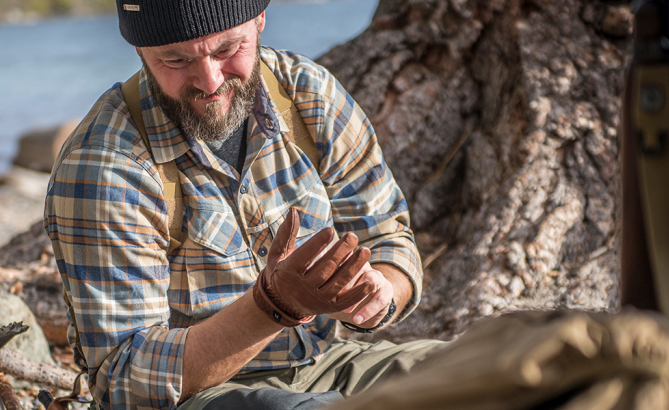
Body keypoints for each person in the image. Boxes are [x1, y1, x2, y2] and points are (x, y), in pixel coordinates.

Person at [43, 1, 442, 409]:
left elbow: (389, 234)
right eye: (176, 59)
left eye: (227, 50)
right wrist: (273, 306)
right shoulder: (104, 167)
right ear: (140, 50)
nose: (209, 80)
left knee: (492, 366)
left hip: (328, 362)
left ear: (259, 20)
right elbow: (124, 381)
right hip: (200, 395)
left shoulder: (307, 93)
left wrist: (377, 296)